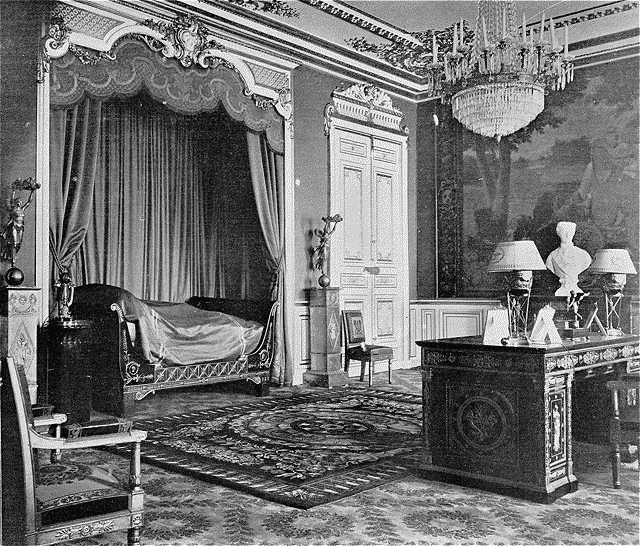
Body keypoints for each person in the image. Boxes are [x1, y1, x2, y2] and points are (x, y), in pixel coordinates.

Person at [545, 221, 592, 296]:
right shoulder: (552, 256)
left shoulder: (584, 255)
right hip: (561, 292)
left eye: (570, 232)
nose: (567, 234)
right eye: (564, 232)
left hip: (575, 290)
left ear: (573, 233)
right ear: (558, 233)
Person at [1, 184, 36, 265]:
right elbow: (12, 200)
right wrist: (13, 191)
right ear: (16, 202)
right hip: (14, 226)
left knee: (19, 243)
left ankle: (14, 255)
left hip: (21, 227)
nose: (20, 203)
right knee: (14, 242)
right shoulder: (13, 210)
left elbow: (29, 202)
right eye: (19, 201)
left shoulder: (22, 209)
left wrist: (32, 192)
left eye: (21, 202)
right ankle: (13, 259)